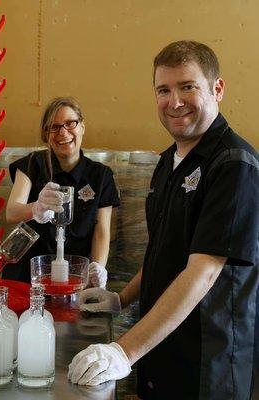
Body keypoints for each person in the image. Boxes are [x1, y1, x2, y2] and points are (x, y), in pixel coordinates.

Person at [68, 41, 259, 399]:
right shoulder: (167, 163)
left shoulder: (234, 164)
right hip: (162, 347)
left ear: (217, 88)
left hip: (210, 362)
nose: (174, 101)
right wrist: (120, 299)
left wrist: (123, 351)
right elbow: (161, 251)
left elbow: (202, 272)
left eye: (188, 86)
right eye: (163, 90)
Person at [2, 96, 119, 286]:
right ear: (46, 134)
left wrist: (97, 269)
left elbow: (101, 232)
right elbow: (12, 212)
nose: (63, 132)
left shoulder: (101, 176)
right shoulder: (33, 164)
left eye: (70, 123)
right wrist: (36, 208)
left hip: (76, 276)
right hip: (30, 275)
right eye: (54, 127)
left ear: (82, 126)